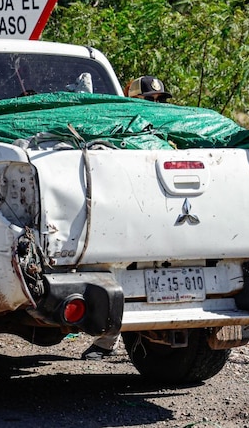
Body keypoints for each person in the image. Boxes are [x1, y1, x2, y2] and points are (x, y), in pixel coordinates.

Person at [82, 75, 173, 362]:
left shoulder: (170, 132)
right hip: (132, 215)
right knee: (120, 275)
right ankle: (107, 339)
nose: (154, 105)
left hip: (166, 216)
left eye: (158, 100)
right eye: (148, 100)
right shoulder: (118, 132)